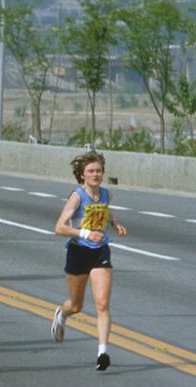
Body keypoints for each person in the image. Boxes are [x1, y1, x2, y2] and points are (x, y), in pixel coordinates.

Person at [51, 151, 127, 372]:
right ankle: (61, 314)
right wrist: (85, 234)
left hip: (100, 251)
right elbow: (59, 227)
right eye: (91, 171)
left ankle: (102, 352)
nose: (96, 174)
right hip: (78, 251)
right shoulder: (77, 196)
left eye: (99, 171)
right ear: (82, 175)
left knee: (102, 304)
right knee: (76, 305)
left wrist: (114, 224)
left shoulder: (106, 195)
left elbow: (104, 211)